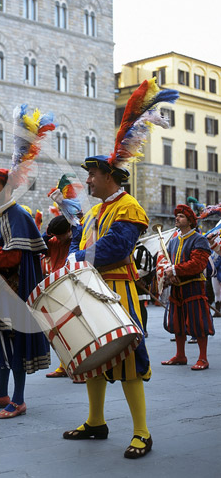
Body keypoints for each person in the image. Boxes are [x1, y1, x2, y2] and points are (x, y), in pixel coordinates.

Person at [62, 77, 180, 458]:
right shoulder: (97, 210)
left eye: (92, 174)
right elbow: (84, 241)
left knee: (128, 359)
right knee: (92, 354)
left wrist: (80, 256)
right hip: (93, 290)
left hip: (119, 290)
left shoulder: (129, 208)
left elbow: (115, 248)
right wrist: (72, 240)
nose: (88, 179)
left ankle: (142, 432)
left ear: (109, 175)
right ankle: (96, 421)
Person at [0, 168, 51, 418]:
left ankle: (18, 400)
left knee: (14, 344)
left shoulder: (19, 215)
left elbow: (14, 256)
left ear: (8, 189)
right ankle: (1, 392)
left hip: (13, 292)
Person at [161, 204, 215, 370]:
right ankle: (180, 355)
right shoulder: (174, 241)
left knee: (198, 322)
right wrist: (167, 274)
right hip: (177, 288)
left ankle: (203, 358)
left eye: (181, 216)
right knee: (177, 321)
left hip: (194, 287)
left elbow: (198, 264)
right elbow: (168, 262)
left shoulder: (199, 239)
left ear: (191, 221)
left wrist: (175, 270)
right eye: (177, 216)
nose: (177, 218)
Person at [41, 215, 73, 379]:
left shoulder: (75, 241)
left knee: (72, 329)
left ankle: (77, 366)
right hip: (55, 288)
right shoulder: (52, 241)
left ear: (69, 230)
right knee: (58, 331)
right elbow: (40, 243)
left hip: (71, 288)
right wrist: (47, 233)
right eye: (56, 236)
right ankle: (64, 365)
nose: (58, 239)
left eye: (61, 235)